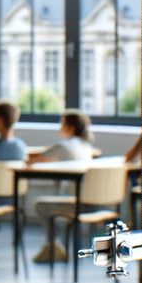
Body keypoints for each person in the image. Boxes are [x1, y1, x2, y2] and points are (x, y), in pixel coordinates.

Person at [25, 109, 96, 261]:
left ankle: (54, 246)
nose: (59, 128)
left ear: (70, 127)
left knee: (40, 205)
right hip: (95, 202)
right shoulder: (86, 147)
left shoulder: (64, 147)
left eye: (61, 124)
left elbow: (33, 158)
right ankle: (58, 246)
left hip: (75, 202)